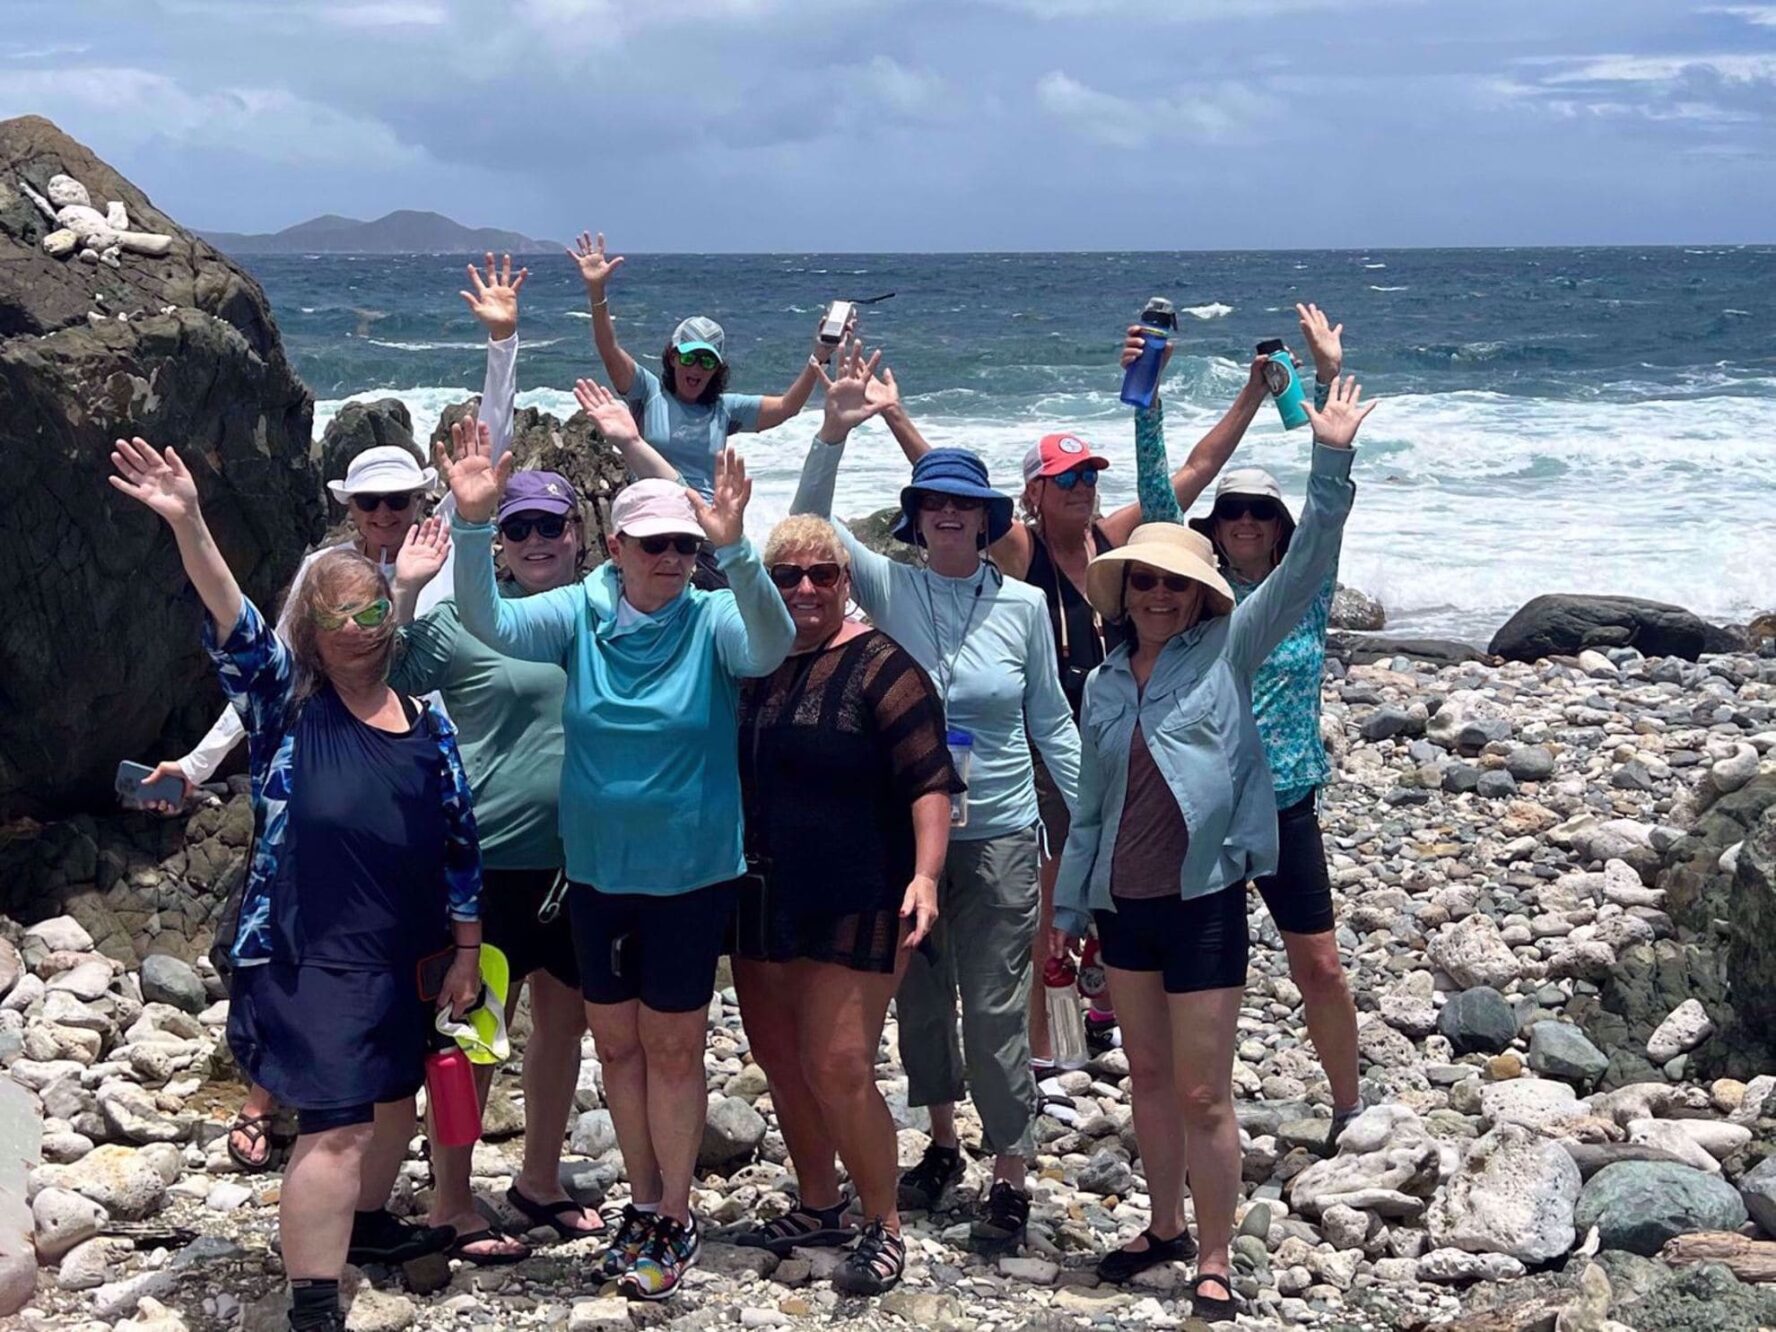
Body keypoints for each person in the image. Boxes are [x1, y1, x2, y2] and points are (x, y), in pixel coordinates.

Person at [106, 437, 485, 1332]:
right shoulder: (286, 705)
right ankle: (314, 1298)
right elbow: (234, 620)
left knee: (396, 1095)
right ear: (310, 630)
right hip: (306, 950)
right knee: (341, 1120)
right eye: (339, 618)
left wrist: (467, 952)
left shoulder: (429, 725)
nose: (358, 630)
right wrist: (191, 522)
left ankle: (363, 1224)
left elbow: (460, 844)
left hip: (411, 951)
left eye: (373, 615)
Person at [441, 421, 793, 1301]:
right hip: (596, 875)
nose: (670, 559)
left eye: (683, 544)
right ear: (617, 546)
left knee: (673, 1049)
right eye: (654, 545)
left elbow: (772, 646)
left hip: (689, 875)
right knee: (619, 1048)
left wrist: (738, 550)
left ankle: (674, 1213)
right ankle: (642, 1201)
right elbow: (486, 618)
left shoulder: (713, 618)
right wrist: (476, 523)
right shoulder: (580, 613)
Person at [860, 350, 1286, 1071]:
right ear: (1032, 493)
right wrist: (895, 416)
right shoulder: (1021, 550)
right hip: (1048, 754)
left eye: (1089, 475)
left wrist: (1250, 392)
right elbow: (948, 500)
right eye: (1066, 479)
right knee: (1051, 912)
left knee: (1121, 893)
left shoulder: (1115, 541)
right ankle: (1048, 1047)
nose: (1083, 488)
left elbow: (1194, 471)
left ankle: (1102, 1008)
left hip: (1122, 742)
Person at [1049, 375, 1372, 1323]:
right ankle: (1162, 1230)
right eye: (1142, 579)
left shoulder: (1231, 648)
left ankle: (1218, 1258)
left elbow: (1310, 559)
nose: (1156, 593)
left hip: (1201, 903)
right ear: (1126, 590)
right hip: (1124, 904)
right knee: (1145, 1079)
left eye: (1174, 583)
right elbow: (1092, 811)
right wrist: (1066, 917)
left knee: (1202, 1091)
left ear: (1201, 596)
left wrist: (1333, 457)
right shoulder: (1106, 683)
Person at [789, 346, 1080, 1252]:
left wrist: (1093, 834)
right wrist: (839, 427)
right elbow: (806, 526)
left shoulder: (1025, 608)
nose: (948, 516)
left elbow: (1054, 724)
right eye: (933, 504)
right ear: (916, 518)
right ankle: (943, 1143)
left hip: (997, 834)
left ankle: (1012, 1170)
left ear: (988, 519)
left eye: (964, 505)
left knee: (995, 1009)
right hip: (901, 840)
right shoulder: (892, 585)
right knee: (918, 1003)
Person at [1125, 302, 1362, 1134]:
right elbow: (1159, 495)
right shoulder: (1194, 601)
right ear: (1215, 530)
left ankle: (1347, 1105)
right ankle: (1202, 1113)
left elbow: (1330, 508)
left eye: (1262, 513)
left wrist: (1329, 387)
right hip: (1204, 812)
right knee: (1197, 979)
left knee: (1320, 965)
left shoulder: (1305, 592)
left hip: (1287, 801)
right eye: (1234, 514)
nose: (1250, 523)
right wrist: (1146, 394)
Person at [729, 513, 956, 1295]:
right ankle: (819, 1201)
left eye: (820, 574)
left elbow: (931, 784)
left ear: (844, 581)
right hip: (761, 887)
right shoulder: (751, 663)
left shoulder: (884, 667)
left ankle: (882, 1223)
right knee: (781, 1061)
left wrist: (926, 876)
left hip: (862, 890)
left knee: (841, 1063)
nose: (804, 589)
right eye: (787, 576)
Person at [567, 231, 833, 583]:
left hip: (704, 532)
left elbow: (786, 407)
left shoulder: (725, 409)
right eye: (690, 358)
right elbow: (608, 348)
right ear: (673, 357)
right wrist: (597, 294)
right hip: (652, 520)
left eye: (708, 362)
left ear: (718, 369)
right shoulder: (648, 392)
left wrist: (820, 356)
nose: (696, 369)